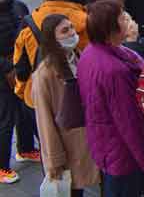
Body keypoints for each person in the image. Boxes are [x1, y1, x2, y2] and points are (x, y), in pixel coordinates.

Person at [78, 0, 144, 197]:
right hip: (123, 154)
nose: (128, 20)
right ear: (111, 28)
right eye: (122, 18)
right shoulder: (114, 71)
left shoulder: (91, 52)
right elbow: (129, 122)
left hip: (105, 145)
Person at [31, 14, 100, 197]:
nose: (72, 33)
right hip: (68, 148)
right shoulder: (44, 75)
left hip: (88, 142)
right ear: (52, 39)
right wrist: (54, 160)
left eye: (71, 27)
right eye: (65, 30)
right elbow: (45, 122)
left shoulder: (79, 57)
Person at [14, 0, 89, 111]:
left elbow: (21, 64)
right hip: (79, 94)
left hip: (39, 95)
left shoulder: (30, 24)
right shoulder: (85, 20)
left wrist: (22, 91)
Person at [0, 0, 37, 184]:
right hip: (3, 73)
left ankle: (26, 149)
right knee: (5, 120)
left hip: (21, 70)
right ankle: (2, 167)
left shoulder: (19, 7)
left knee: (25, 113)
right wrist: (7, 68)